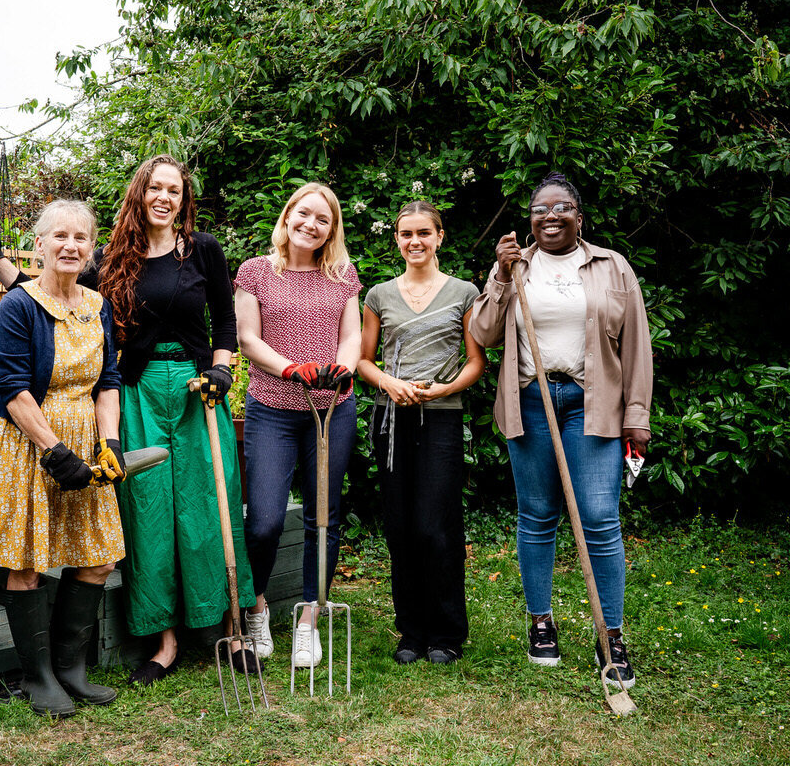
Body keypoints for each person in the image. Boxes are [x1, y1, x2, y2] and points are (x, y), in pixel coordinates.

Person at [470, 172, 652, 688]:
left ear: (579, 214)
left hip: (592, 404)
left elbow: (637, 346)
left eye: (561, 207)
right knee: (538, 515)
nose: (550, 216)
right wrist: (502, 277)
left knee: (598, 517)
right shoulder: (514, 264)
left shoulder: (612, 267)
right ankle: (541, 622)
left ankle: (610, 634)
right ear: (530, 219)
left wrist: (636, 417)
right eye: (540, 209)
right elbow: (482, 333)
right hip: (531, 400)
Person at [86, 154, 258, 686]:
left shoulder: (203, 249)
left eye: (175, 191)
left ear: (184, 200)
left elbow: (226, 321)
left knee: (211, 503)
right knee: (149, 511)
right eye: (156, 188)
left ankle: (231, 626)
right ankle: (164, 642)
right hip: (136, 392)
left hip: (195, 391)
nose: (165, 197)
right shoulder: (110, 258)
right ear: (139, 193)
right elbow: (49, 289)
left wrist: (223, 371)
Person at [0, 199, 126, 718]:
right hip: (28, 443)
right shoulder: (18, 306)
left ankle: (71, 667)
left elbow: (108, 381)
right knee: (27, 563)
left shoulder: (99, 304)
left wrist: (110, 442)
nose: (70, 246)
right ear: (38, 246)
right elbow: (12, 389)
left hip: (84, 436)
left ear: (92, 247)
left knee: (97, 557)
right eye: (59, 237)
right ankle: (38, 676)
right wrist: (55, 451)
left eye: (81, 238)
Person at [235, 182, 362, 668]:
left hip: (331, 411)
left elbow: (349, 336)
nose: (312, 225)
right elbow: (248, 339)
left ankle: (309, 618)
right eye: (304, 214)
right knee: (265, 520)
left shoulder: (342, 274)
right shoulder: (256, 272)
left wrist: (344, 368)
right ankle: (258, 609)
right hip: (273, 409)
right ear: (288, 217)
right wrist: (290, 368)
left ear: (332, 229)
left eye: (323, 219)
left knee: (321, 518)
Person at [356, 201, 486, 666]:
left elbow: (476, 361)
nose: (415, 242)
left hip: (442, 418)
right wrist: (389, 383)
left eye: (423, 233)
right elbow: (363, 359)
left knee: (437, 526)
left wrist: (445, 389)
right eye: (406, 234)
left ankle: (447, 632)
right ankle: (411, 631)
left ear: (439, 237)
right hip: (391, 420)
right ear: (396, 240)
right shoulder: (378, 295)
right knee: (400, 527)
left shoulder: (464, 292)